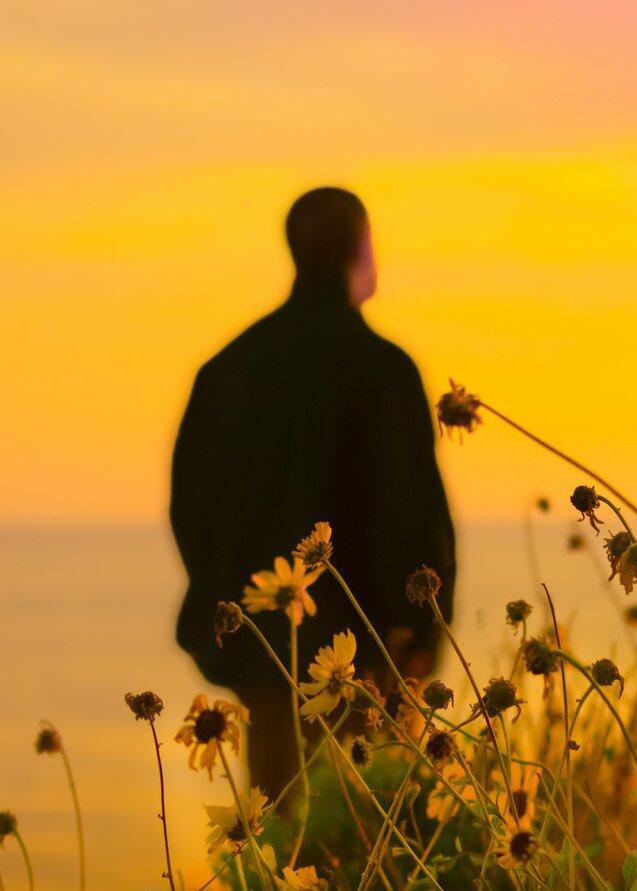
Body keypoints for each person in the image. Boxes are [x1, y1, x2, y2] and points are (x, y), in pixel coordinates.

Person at [170, 187, 456, 796]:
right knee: (369, 833)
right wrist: (422, 633)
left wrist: (231, 608)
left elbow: (190, 509)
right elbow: (415, 516)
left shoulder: (227, 371)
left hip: (264, 656)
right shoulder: (384, 369)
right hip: (367, 660)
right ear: (361, 249)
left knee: (281, 833)